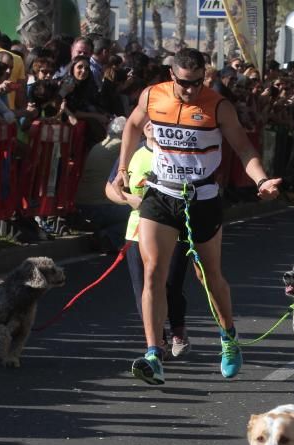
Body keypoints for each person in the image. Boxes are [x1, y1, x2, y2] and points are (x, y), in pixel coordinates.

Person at [113, 48, 281, 385]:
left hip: (201, 198)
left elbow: (244, 148)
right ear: (171, 76)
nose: (191, 90)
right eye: (184, 83)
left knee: (208, 275)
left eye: (198, 82)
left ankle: (229, 337)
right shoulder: (152, 96)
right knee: (153, 273)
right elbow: (132, 127)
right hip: (161, 195)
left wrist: (260, 179)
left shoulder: (218, 105)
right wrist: (121, 170)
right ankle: (153, 353)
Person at [105, 119, 193, 357]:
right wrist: (129, 200)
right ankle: (157, 341)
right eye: (147, 122)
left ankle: (177, 330)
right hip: (137, 230)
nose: (151, 126)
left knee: (171, 284)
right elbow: (111, 187)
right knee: (143, 287)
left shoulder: (179, 153)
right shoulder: (132, 153)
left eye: (157, 122)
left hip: (173, 228)